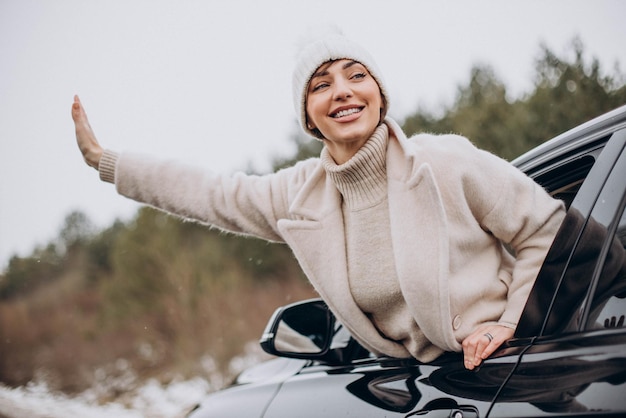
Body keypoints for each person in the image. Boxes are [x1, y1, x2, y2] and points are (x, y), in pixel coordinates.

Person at [71, 29, 565, 371]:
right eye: (321, 86)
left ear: (379, 93)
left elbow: (546, 227)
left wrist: (508, 323)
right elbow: (210, 192)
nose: (343, 92)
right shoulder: (300, 194)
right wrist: (106, 162)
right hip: (425, 388)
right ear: (309, 117)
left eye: (357, 76)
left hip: (508, 368)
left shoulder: (446, 161)